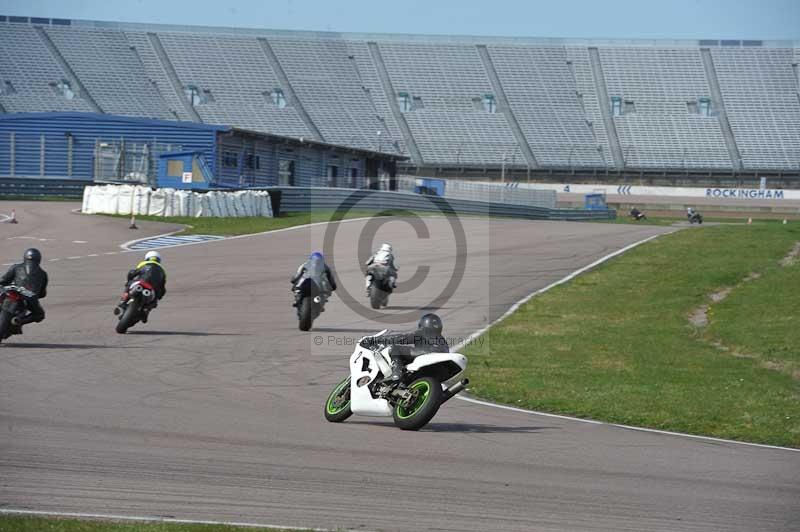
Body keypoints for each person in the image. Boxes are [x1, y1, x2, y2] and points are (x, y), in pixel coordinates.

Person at [361, 313, 449, 383]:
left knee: (395, 349)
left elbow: (402, 338)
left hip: (428, 354)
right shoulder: (442, 340)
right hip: (442, 366)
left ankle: (396, 373)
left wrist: (376, 340)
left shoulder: (424, 331)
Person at [0, 248, 48, 328]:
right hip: (29, 296)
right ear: (39, 259)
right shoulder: (43, 274)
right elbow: (42, 293)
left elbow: (4, 280)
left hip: (13, 290)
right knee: (40, 315)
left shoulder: (16, 267)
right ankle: (19, 321)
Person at [117, 250, 166, 323]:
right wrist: (159, 296)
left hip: (140, 283)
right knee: (154, 301)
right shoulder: (163, 270)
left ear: (147, 258)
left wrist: (128, 280)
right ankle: (146, 311)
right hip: (150, 289)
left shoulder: (143, 263)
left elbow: (132, 273)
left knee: (129, 283)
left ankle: (123, 301)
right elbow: (162, 287)